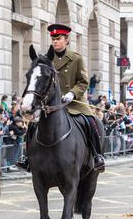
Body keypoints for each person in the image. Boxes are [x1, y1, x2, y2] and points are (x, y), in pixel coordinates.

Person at [17, 23, 105, 173]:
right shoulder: (46, 61)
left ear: (66, 40)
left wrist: (72, 93)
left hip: (74, 103)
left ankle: (97, 156)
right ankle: (27, 158)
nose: (55, 42)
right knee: (32, 125)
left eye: (59, 38)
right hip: (52, 104)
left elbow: (83, 81)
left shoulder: (76, 59)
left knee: (91, 122)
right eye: (53, 39)